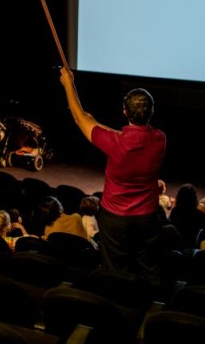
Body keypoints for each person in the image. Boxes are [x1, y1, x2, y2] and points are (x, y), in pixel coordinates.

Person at [59, 67, 166, 287]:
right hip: (147, 217)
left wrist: (68, 83)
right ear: (151, 112)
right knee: (148, 266)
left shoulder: (114, 142)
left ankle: (120, 306)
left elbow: (81, 119)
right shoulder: (160, 139)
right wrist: (91, 120)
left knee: (116, 270)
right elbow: (91, 121)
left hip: (115, 218)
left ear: (125, 112)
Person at [169, 183, 205, 250]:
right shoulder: (199, 214)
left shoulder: (175, 211)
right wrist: (204, 212)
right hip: (192, 245)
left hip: (180, 243)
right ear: (194, 197)